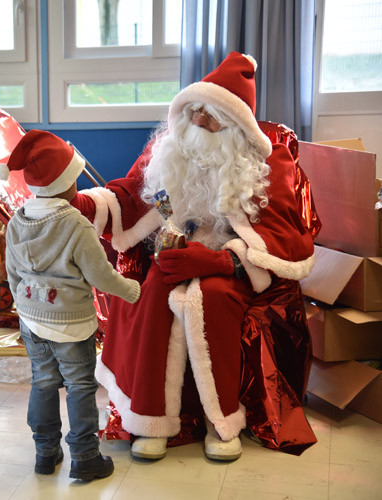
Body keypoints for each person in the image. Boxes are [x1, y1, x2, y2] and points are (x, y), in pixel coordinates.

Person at [69, 52, 315, 461]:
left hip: (230, 265)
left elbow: (284, 235)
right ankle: (149, 421)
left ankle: (223, 424)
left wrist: (223, 262)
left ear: (235, 124)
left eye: (212, 114)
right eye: (193, 110)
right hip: (174, 255)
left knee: (212, 299)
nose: (199, 121)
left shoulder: (267, 162)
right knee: (148, 294)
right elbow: (136, 195)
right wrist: (86, 204)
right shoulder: (171, 149)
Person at [0, 129, 141, 481]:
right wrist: (131, 290)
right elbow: (100, 275)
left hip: (31, 320)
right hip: (71, 323)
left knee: (43, 383)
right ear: (65, 184)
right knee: (79, 387)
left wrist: (25, 308)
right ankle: (85, 457)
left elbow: (12, 272)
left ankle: (45, 454)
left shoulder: (17, 220)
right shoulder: (75, 224)